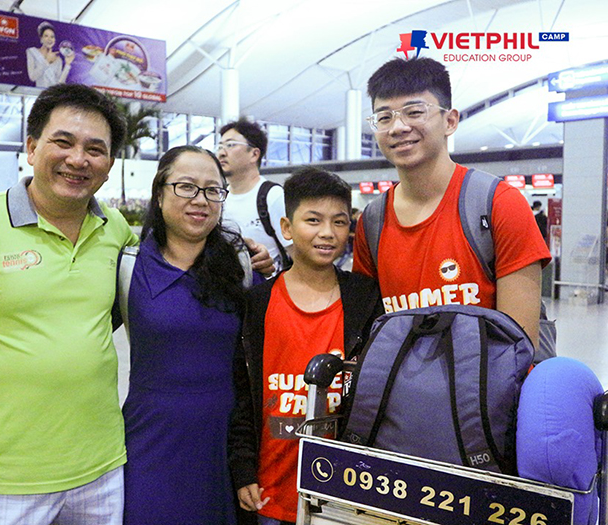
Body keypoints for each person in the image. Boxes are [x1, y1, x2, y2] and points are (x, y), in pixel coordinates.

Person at [0, 83, 135, 524]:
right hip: (3, 478)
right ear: (32, 147)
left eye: (95, 149)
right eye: (63, 142)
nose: (78, 159)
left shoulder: (115, 229)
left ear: (109, 164)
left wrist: (243, 255)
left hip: (102, 468)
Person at [353, 57, 550, 348]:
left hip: (484, 376)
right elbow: (369, 329)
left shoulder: (499, 204)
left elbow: (518, 346)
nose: (398, 127)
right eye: (384, 118)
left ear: (450, 121)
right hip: (400, 376)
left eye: (414, 112)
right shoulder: (372, 222)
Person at [229, 166, 383, 525]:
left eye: (339, 222)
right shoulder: (257, 304)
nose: (327, 233)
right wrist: (243, 469)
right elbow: (243, 395)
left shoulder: (364, 300)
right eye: (313, 220)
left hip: (341, 492)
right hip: (271, 490)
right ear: (286, 227)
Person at [122, 145, 252, 525]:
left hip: (223, 441)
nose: (201, 199)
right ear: (159, 193)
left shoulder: (239, 264)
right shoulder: (127, 266)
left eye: (213, 190)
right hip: (151, 439)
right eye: (186, 186)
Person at [218, 118, 293, 272]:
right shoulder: (219, 198)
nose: (222, 153)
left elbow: (296, 253)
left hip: (269, 284)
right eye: (220, 146)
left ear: (254, 154)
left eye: (230, 145)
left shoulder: (272, 196)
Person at [26, 22, 74, 88]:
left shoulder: (58, 59)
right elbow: (32, 77)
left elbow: (60, 84)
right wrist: (47, 61)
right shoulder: (32, 52)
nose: (49, 39)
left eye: (52, 37)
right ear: (41, 38)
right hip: (39, 92)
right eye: (46, 36)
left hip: (53, 93)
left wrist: (67, 65)